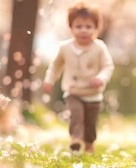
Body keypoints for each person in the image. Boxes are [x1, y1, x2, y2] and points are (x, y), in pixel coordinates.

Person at [44, 2, 114, 153]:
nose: (83, 31)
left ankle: (89, 143)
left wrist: (101, 78)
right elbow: (56, 65)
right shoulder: (65, 47)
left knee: (90, 123)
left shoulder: (99, 47)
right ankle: (75, 139)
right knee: (76, 116)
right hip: (73, 91)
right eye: (79, 26)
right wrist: (50, 79)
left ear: (96, 28)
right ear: (71, 28)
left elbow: (108, 66)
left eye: (88, 27)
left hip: (93, 94)